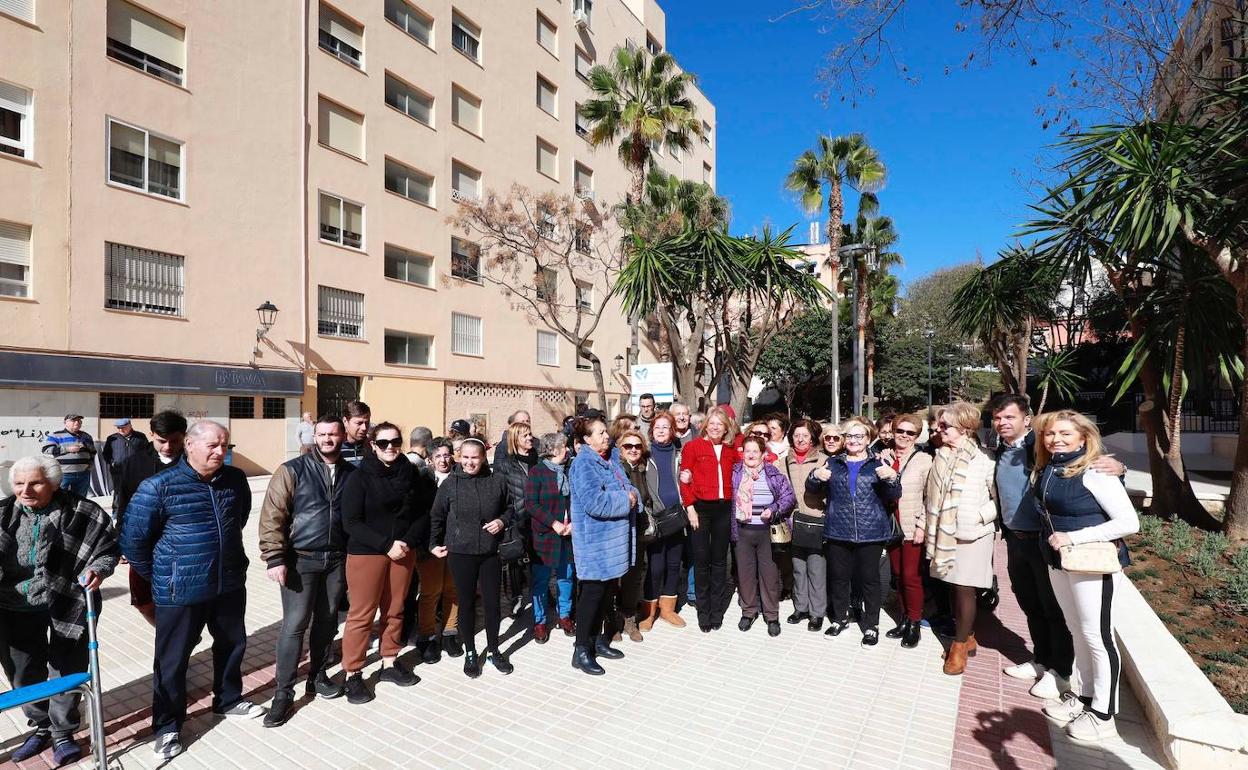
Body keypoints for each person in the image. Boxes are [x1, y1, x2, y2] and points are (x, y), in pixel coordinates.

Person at [121, 421, 265, 760]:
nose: (220, 452)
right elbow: (133, 541)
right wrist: (164, 573)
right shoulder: (157, 487)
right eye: (213, 445)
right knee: (172, 660)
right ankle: (168, 726)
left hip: (227, 582)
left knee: (232, 644)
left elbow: (238, 519)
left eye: (224, 445)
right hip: (179, 589)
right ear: (189, 444)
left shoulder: (235, 480)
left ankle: (228, 699)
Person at [1, 455, 119, 767]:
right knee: (22, 671)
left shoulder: (83, 511)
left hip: (68, 599)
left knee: (67, 666)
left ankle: (63, 731)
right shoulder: (2, 514)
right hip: (12, 603)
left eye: (35, 482)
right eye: (19, 483)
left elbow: (107, 548)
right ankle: (41, 725)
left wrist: (99, 568)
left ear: (53, 483)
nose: (25, 489)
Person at [1032, 411, 1139, 743]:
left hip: (1091, 563)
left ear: (1083, 437)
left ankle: (1104, 714)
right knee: (1077, 630)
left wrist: (1074, 538)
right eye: (1050, 434)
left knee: (1097, 636)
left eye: (1065, 433)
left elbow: (1129, 522)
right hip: (1060, 561)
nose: (1055, 439)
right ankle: (1085, 697)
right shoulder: (1050, 467)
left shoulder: (1096, 471)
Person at [258, 415, 357, 726]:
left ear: (343, 436)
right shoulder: (292, 470)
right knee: (295, 624)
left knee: (328, 622)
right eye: (322, 434)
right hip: (301, 559)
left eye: (333, 434)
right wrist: (275, 558)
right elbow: (273, 515)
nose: (328, 439)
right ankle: (283, 693)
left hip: (337, 560)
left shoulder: (351, 473)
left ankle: (318, 675)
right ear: (314, 436)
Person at [339, 423, 424, 704]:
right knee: (362, 615)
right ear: (373, 446)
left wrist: (406, 542)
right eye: (384, 443)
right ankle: (353, 673)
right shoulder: (358, 477)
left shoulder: (409, 473)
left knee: (396, 609)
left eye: (395, 441)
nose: (391, 447)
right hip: (368, 553)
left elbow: (422, 512)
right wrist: (385, 545)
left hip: (402, 551)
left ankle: (389, 661)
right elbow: (351, 522)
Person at [808, 416, 902, 646]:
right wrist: (814, 476)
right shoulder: (833, 463)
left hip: (871, 531)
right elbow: (812, 488)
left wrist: (892, 479)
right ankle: (840, 619)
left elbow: (893, 496)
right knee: (839, 579)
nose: (854, 440)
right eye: (849, 436)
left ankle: (871, 625)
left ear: (868, 439)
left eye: (859, 436)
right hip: (838, 530)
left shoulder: (877, 464)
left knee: (870, 580)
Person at [429, 438, 517, 678]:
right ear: (459, 457)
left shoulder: (497, 480)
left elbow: (510, 508)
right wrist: (433, 544)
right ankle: (470, 651)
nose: (469, 462)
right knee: (466, 603)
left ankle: (494, 650)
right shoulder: (450, 484)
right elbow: (437, 515)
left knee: (492, 604)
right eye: (465, 457)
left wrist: (502, 521)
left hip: (490, 552)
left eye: (474, 457)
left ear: (483, 458)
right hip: (460, 552)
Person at [924, 402, 998, 676]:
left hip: (973, 535)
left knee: (966, 589)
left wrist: (979, 517)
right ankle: (967, 636)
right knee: (954, 587)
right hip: (946, 534)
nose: (938, 429)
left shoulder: (985, 459)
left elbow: (999, 499)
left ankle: (958, 647)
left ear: (965, 428)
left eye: (945, 426)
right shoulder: (940, 456)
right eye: (939, 424)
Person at [568, 416, 638, 675]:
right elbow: (595, 502)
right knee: (591, 596)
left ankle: (597, 641)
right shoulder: (584, 464)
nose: (606, 436)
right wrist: (626, 500)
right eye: (598, 433)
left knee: (607, 593)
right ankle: (581, 649)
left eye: (605, 432)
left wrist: (632, 495)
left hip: (612, 544)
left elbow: (628, 487)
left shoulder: (610, 459)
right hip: (595, 544)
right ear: (586, 439)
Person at [114, 410, 187, 627]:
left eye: (175, 441)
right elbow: (123, 503)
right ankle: (172, 633)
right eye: (161, 441)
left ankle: (179, 638)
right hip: (143, 545)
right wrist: (121, 542)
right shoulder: (134, 463)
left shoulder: (194, 462)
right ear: (151, 434)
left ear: (184, 436)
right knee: (142, 601)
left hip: (182, 545)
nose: (168, 447)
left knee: (181, 600)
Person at [679, 406, 739, 633]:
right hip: (701, 510)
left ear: (726, 428)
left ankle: (717, 611)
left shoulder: (730, 449)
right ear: (705, 425)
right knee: (702, 562)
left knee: (720, 562)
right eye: (712, 423)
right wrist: (691, 508)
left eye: (720, 424)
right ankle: (704, 613)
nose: (715, 427)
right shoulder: (693, 447)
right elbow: (683, 480)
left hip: (723, 508)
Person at [731, 435, 796, 636]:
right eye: (747, 451)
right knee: (746, 574)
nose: (751, 455)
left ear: (763, 454)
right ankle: (748, 612)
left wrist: (773, 509)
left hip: (766, 532)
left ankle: (771, 615)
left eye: (755, 451)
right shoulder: (734, 473)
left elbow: (789, 497)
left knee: (769, 575)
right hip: (742, 531)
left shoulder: (773, 473)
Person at [879, 413, 933, 648]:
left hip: (911, 525)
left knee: (911, 576)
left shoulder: (924, 460)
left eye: (910, 432)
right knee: (898, 575)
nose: (904, 436)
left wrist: (922, 525)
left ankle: (914, 622)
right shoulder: (884, 456)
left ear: (917, 435)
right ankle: (903, 617)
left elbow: (929, 498)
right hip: (890, 525)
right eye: (900, 431)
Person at [409, 438, 463, 662]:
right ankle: (427, 635)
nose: (443, 460)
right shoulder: (421, 480)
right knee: (431, 591)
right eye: (438, 456)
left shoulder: (460, 478)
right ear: (429, 459)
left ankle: (450, 632)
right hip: (429, 545)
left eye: (446, 455)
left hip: (456, 543)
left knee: (452, 589)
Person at [525, 433, 576, 643]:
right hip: (545, 536)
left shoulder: (570, 470)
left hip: (568, 534)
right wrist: (554, 523)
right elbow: (531, 504)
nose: (568, 450)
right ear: (553, 450)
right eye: (564, 447)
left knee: (567, 577)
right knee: (541, 581)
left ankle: (564, 615)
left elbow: (576, 500)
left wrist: (573, 523)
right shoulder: (537, 472)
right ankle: (540, 621)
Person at [639, 412, 686, 630]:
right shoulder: (644, 455)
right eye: (657, 427)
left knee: (674, 564)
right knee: (656, 566)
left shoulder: (680, 454)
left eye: (665, 427)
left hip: (676, 517)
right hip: (655, 520)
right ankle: (648, 612)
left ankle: (668, 609)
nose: (660, 430)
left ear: (672, 431)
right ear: (651, 430)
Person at [781, 419, 828, 632]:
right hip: (793, 521)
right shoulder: (783, 463)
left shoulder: (824, 461)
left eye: (805, 436)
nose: (800, 439)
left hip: (817, 521)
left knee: (816, 569)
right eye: (796, 435)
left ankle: (817, 612)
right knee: (798, 567)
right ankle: (801, 607)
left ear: (812, 438)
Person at [494, 421, 535, 619]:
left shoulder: (537, 460)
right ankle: (517, 597)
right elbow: (500, 494)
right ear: (514, 439)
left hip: (538, 519)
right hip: (516, 519)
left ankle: (540, 595)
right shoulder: (505, 464)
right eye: (525, 436)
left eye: (530, 434)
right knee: (516, 562)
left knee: (538, 560)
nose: (530, 438)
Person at [614, 428, 652, 643]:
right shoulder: (616, 470)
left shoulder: (645, 469)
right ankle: (612, 621)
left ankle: (630, 618)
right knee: (615, 578)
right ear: (621, 449)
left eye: (637, 446)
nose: (633, 450)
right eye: (628, 446)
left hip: (639, 531)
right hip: (618, 531)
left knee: (634, 576)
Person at [41, 414, 96, 496]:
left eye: (79, 420)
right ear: (65, 422)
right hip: (64, 474)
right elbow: (46, 449)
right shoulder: (56, 435)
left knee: (80, 499)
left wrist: (90, 464)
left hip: (83, 474)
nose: (77, 422)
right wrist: (67, 449)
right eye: (73, 420)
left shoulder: (86, 436)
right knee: (59, 497)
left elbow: (93, 452)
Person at [102, 417, 148, 493]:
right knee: (119, 493)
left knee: (135, 492)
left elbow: (147, 452)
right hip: (118, 471)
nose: (121, 430)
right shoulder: (112, 438)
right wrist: (112, 463)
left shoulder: (140, 437)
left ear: (130, 426)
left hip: (136, 471)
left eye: (123, 427)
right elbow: (106, 453)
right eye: (118, 428)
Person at [341, 400, 371, 466]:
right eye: (359, 423)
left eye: (367, 423)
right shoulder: (335, 448)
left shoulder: (373, 447)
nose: (364, 428)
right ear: (345, 421)